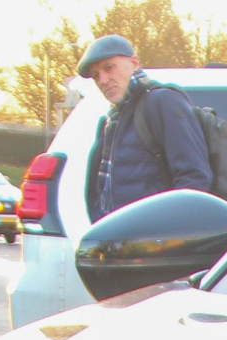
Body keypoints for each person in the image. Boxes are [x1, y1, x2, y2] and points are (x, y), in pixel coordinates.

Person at [79, 33, 213, 219]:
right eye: (96, 76)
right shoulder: (112, 120)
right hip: (117, 239)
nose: (102, 80)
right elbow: (99, 191)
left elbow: (193, 177)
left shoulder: (162, 101)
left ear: (134, 63)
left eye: (109, 68)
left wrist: (166, 236)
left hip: (154, 239)